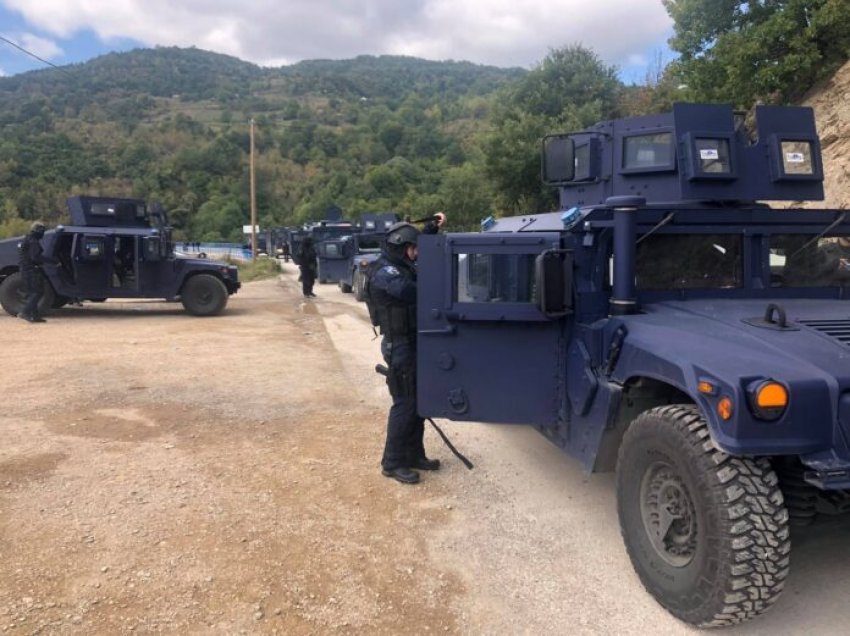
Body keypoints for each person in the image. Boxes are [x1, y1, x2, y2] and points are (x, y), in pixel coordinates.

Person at [367, 213, 446, 484]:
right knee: (405, 404)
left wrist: (431, 231)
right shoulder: (384, 272)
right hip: (399, 345)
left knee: (418, 403)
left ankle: (414, 455)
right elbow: (411, 291)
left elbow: (415, 266)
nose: (415, 255)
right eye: (413, 249)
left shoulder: (400, 265)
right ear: (401, 248)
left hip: (412, 344)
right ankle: (392, 462)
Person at [17, 221, 52, 323]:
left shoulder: (27, 239)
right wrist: (52, 261)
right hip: (31, 269)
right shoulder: (33, 241)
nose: (43, 233)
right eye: (42, 231)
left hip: (26, 269)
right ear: (38, 231)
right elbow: (35, 257)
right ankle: (25, 312)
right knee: (37, 292)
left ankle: (34, 316)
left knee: (33, 292)